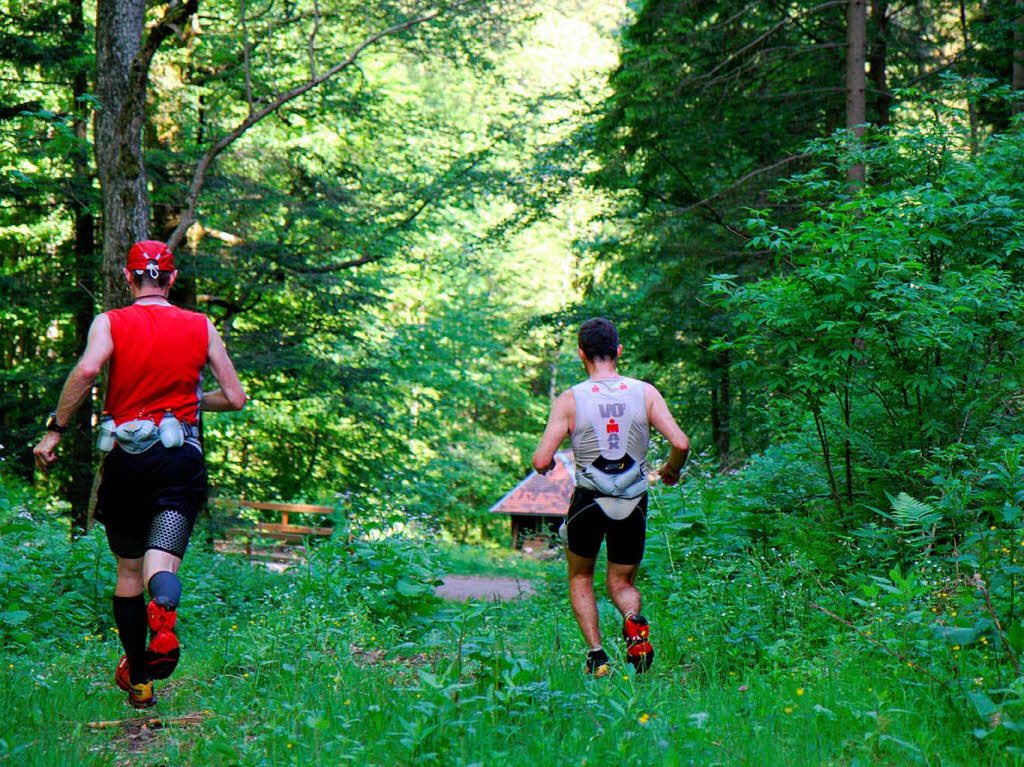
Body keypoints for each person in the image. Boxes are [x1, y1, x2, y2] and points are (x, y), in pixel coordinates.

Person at [33, 240, 246, 708]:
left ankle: (141, 681)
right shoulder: (200, 325)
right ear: (170, 280)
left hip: (127, 460)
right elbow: (234, 397)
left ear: (129, 279)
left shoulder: (110, 322)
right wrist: (190, 403)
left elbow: (88, 370)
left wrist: (55, 431)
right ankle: (164, 613)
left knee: (127, 570)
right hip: (179, 458)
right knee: (160, 563)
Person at [532, 317, 689, 676]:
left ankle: (597, 656)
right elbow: (680, 443)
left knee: (580, 577)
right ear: (618, 351)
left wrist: (547, 467)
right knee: (622, 583)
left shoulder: (571, 399)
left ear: (581, 354)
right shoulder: (645, 392)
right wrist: (672, 468)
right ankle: (634, 621)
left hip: (588, 501)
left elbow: (542, 459)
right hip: (633, 501)